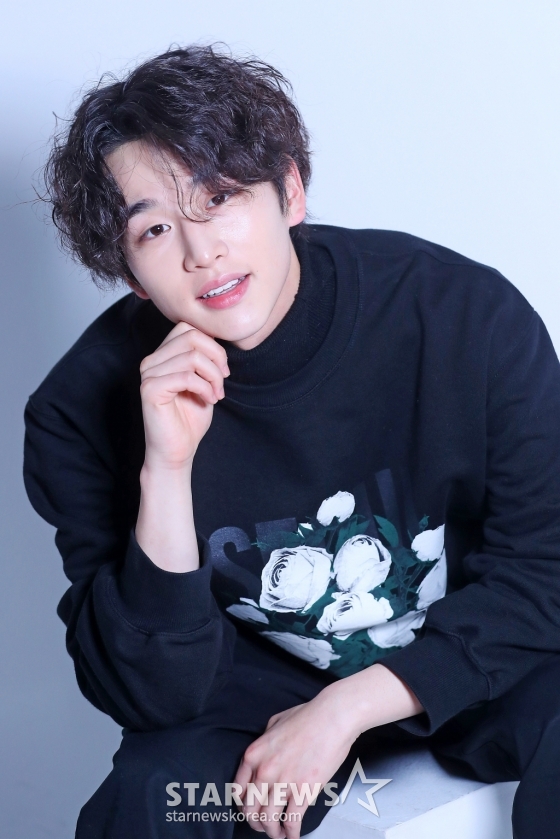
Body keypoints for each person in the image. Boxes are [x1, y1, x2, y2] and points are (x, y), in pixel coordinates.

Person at [23, 44, 560, 839]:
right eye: (157, 228)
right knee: (154, 801)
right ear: (130, 273)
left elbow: (544, 570)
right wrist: (165, 466)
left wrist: (348, 706)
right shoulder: (77, 411)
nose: (202, 251)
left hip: (481, 668)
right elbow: (153, 695)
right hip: (256, 715)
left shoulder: (463, 317)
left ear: (290, 190)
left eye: (219, 197)